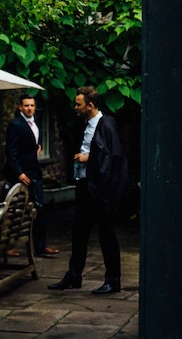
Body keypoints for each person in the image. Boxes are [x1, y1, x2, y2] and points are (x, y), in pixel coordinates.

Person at [50, 86, 128, 293]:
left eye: (79, 104)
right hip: (85, 184)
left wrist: (88, 157)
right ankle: (74, 275)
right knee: (79, 232)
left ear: (90, 106)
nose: (75, 107)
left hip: (100, 190)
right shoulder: (85, 123)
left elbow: (113, 157)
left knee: (106, 233)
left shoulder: (107, 124)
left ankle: (113, 280)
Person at [2, 93, 56, 256]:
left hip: (34, 172)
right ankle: (7, 246)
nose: (30, 108)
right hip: (19, 174)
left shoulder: (36, 121)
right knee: (14, 210)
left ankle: (41, 246)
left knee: (40, 208)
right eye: (26, 105)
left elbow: (35, 140)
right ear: (20, 107)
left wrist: (37, 148)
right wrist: (19, 173)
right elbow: (11, 151)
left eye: (32, 105)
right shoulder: (15, 124)